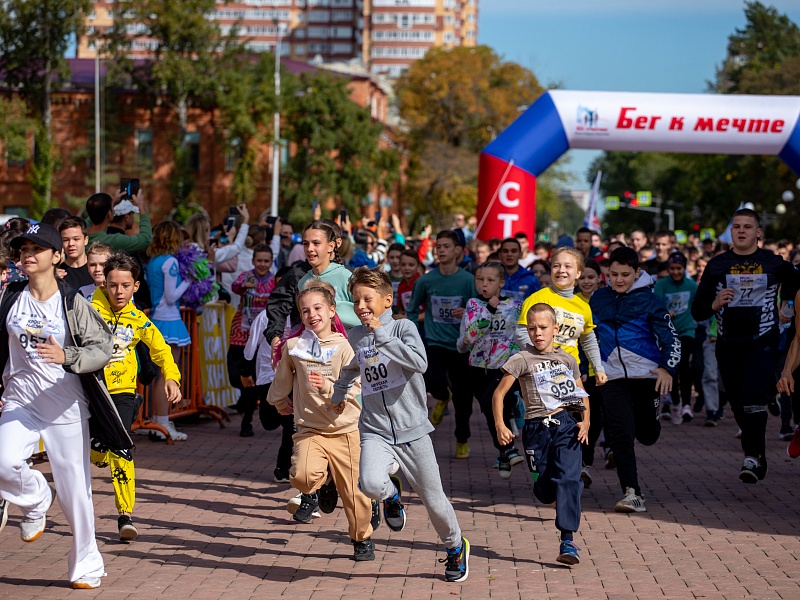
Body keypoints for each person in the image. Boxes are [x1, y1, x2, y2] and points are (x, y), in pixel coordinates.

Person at [0, 223, 124, 589]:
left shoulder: (72, 302)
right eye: (23, 249)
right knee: (4, 461)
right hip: (21, 401)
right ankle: (36, 499)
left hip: (65, 408)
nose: (28, 254)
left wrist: (66, 355)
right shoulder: (10, 296)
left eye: (36, 249)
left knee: (75, 494)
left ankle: (87, 565)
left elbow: (102, 348)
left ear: (56, 257)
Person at [331, 267, 470, 582]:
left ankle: (455, 546)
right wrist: (339, 392)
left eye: (367, 299)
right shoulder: (356, 335)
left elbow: (419, 362)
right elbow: (354, 366)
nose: (361, 306)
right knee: (369, 484)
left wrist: (382, 335)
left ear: (387, 300)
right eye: (356, 300)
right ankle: (392, 495)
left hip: (413, 432)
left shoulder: (404, 327)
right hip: (375, 429)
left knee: (434, 501)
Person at [266, 283, 376, 561]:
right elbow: (282, 379)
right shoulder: (294, 347)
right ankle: (324, 481)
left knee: (355, 495)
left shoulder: (346, 347)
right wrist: (278, 401)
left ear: (331, 311)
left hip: (345, 431)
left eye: (317, 308)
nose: (312, 314)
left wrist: (328, 387)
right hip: (310, 430)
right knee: (302, 477)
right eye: (305, 311)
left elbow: (357, 386)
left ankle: (361, 539)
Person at [694, 209, 800, 482]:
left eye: (747, 227)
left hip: (762, 341)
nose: (741, 231)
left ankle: (752, 457)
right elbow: (697, 311)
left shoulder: (773, 263)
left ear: (758, 232)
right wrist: (715, 304)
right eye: (737, 226)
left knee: (753, 396)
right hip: (728, 343)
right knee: (739, 403)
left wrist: (787, 304)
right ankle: (757, 454)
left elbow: (796, 281)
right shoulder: (717, 265)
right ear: (731, 232)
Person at [89, 252, 182, 541]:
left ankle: (125, 516)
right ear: (104, 284)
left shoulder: (138, 319)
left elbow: (162, 350)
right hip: (92, 389)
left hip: (123, 391)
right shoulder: (88, 311)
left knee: (121, 448)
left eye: (125, 286)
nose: (119, 291)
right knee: (98, 452)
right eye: (113, 285)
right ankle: (99, 448)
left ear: (136, 286)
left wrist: (172, 377)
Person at [493, 303, 590, 566]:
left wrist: (586, 422)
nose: (538, 333)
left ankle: (568, 540)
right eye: (532, 328)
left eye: (543, 327)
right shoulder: (521, 359)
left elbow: (581, 393)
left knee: (569, 479)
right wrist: (501, 425)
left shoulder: (567, 359)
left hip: (565, 425)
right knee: (546, 491)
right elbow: (499, 394)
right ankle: (552, 493)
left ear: (555, 329)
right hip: (536, 429)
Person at [591, 247, 680, 512]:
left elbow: (672, 339)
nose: (619, 279)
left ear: (637, 273)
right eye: (614, 274)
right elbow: (587, 335)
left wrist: (666, 369)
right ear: (607, 273)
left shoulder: (650, 300)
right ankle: (632, 492)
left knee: (647, 435)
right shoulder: (598, 298)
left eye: (625, 274)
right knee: (621, 433)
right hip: (612, 377)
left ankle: (653, 418)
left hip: (646, 377)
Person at [406, 230, 476, 458]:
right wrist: (413, 334)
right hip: (434, 343)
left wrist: (466, 313)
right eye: (438, 247)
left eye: (446, 246)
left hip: (461, 345)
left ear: (458, 251)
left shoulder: (467, 280)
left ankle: (462, 439)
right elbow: (412, 309)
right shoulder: (426, 280)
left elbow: (478, 310)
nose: (441, 250)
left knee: (463, 397)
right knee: (431, 381)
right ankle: (442, 396)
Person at [457, 261, 523, 476]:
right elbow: (470, 336)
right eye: (480, 280)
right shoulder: (474, 305)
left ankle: (513, 408)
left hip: (504, 367)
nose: (484, 284)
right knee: (490, 412)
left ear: (501, 283)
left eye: (490, 280)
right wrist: (489, 310)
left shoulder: (515, 305)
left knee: (491, 401)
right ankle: (505, 453)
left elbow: (521, 334)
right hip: (478, 367)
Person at [145, 221, 192, 442]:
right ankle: (162, 423)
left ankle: (159, 421)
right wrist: (190, 281)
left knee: (160, 375)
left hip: (158, 318)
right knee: (167, 374)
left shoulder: (153, 260)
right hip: (169, 319)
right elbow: (172, 296)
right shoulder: (170, 261)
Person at [243, 291, 294, 483]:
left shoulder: (302, 315)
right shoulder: (264, 316)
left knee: (290, 425)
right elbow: (251, 346)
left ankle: (283, 468)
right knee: (269, 422)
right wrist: (245, 371)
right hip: (267, 376)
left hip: (292, 376)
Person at [227, 244, 275, 437]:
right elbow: (234, 286)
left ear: (271, 262)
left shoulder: (274, 282)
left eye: (266, 261)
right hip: (240, 333)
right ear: (253, 261)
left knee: (251, 382)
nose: (262, 264)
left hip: (259, 339)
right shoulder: (246, 277)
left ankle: (246, 422)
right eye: (259, 260)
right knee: (234, 376)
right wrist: (243, 287)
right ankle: (244, 398)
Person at [654, 253, 698, 424]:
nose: (676, 272)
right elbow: (656, 306)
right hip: (668, 333)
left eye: (679, 268)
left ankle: (686, 404)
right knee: (672, 367)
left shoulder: (691, 285)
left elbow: (699, 305)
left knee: (684, 364)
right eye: (672, 268)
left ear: (684, 268)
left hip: (686, 330)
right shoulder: (662, 285)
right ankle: (675, 401)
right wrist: (666, 312)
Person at [297, 220, 359, 329]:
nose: (310, 249)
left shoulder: (346, 277)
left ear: (331, 246)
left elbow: (364, 314)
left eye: (316, 243)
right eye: (305, 244)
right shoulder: (302, 282)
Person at [86, 190, 152, 253]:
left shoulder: (82, 231)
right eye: (112, 208)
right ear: (109, 213)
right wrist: (141, 206)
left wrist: (112, 202)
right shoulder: (113, 241)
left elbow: (94, 213)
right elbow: (146, 239)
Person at [498, 238, 540, 307]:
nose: (509, 254)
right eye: (505, 251)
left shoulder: (532, 280)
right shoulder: (491, 278)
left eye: (514, 251)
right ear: (500, 255)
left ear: (520, 254)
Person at [58, 217, 94, 289]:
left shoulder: (97, 269)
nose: (71, 244)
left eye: (76, 239)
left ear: (86, 240)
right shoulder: (58, 274)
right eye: (65, 240)